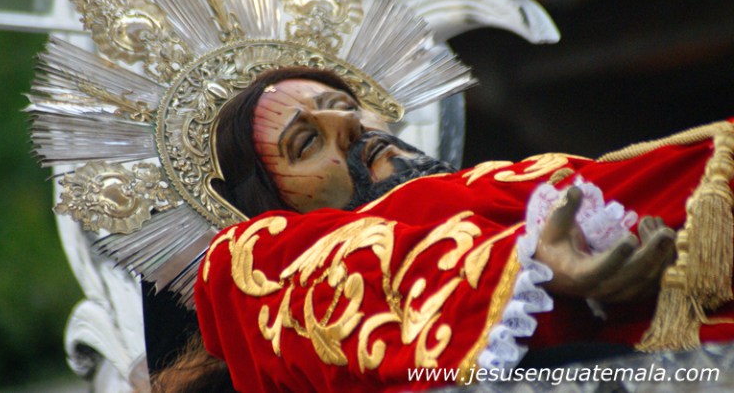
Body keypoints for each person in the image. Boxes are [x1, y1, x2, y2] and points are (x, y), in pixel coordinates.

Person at [176, 66, 734, 392]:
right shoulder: (260, 253)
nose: (348, 123)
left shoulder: (504, 180)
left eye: (343, 105)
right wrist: (526, 265)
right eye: (306, 143)